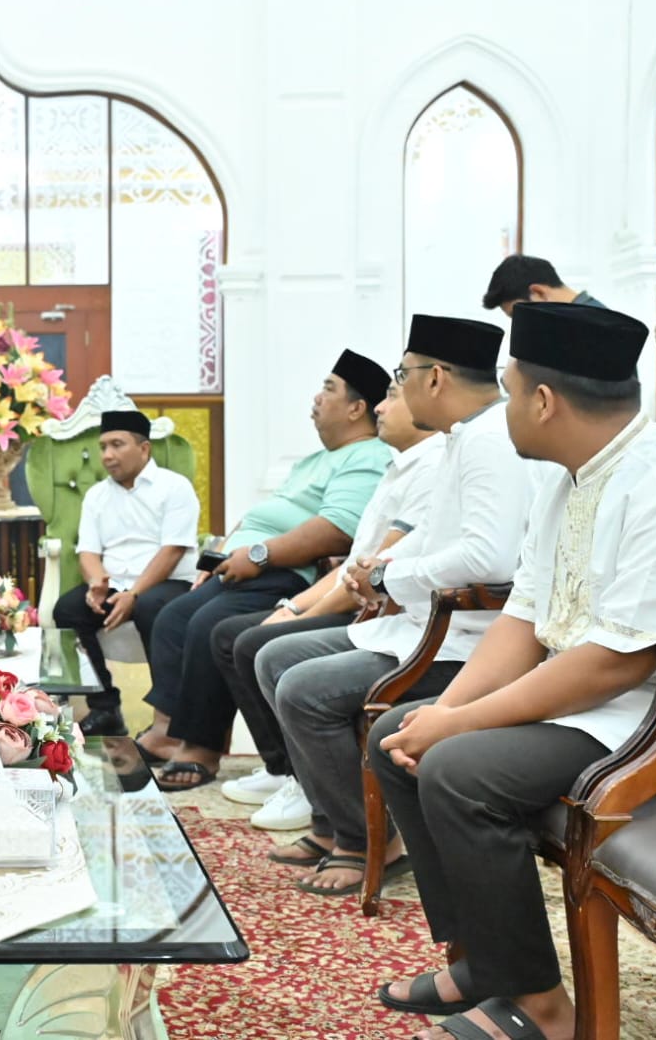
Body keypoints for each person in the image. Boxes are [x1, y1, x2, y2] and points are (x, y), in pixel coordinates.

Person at [370, 301, 656, 1040]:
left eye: (508, 391)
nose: (502, 406)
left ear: (543, 401)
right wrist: (444, 712)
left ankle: (540, 1008)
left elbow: (614, 664)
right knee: (401, 736)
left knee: (459, 770)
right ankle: (482, 960)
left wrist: (458, 725)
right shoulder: (565, 478)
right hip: (599, 705)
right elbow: (523, 620)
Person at [252, 316, 537, 892]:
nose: (396, 391)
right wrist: (378, 568)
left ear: (435, 378)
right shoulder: (463, 436)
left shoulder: (488, 440)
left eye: (400, 377)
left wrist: (390, 577)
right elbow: (433, 532)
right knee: (273, 657)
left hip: (466, 642)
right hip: (419, 624)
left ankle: (368, 841)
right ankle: (332, 824)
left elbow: (488, 558)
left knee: (304, 689)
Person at [142, 350, 394, 790]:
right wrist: (222, 553)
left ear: (357, 408)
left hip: (288, 573)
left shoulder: (367, 455)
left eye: (328, 389)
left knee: (208, 624)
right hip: (248, 565)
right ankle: (168, 731)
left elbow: (337, 530)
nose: (316, 398)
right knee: (172, 615)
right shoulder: (314, 461)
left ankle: (202, 747)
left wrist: (259, 554)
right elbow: (264, 516)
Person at [213, 376, 444, 831]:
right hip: (373, 608)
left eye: (391, 396)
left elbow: (375, 570)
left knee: (259, 646)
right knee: (240, 636)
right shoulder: (400, 467)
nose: (380, 408)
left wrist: (299, 613)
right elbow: (356, 566)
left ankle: (316, 795)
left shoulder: (431, 467)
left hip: (396, 619)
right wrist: (294, 608)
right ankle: (291, 774)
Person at [48, 409, 199, 715]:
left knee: (150, 606)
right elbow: (88, 552)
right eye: (103, 447)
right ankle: (105, 708)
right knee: (68, 609)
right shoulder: (97, 495)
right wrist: (96, 583)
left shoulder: (175, 487)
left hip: (169, 583)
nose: (107, 455)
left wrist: (135, 594)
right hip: (115, 584)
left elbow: (172, 551)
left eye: (117, 445)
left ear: (144, 448)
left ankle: (169, 715)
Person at [481, 253, 606, 317]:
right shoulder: (593, 317)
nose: (519, 326)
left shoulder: (589, 326)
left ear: (539, 293)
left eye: (517, 316)